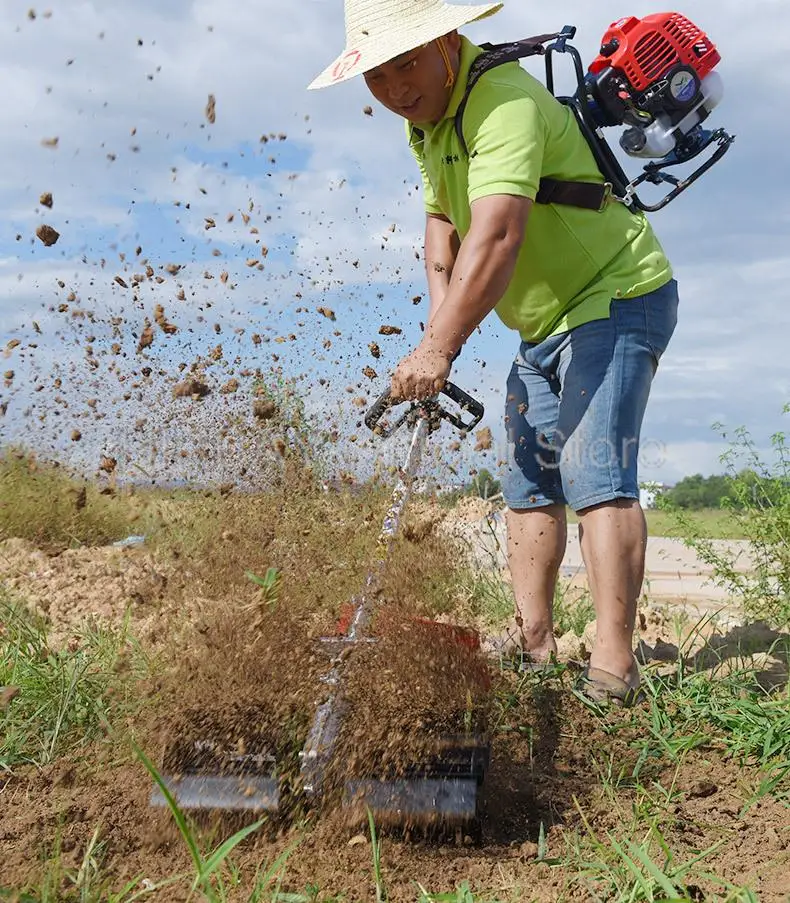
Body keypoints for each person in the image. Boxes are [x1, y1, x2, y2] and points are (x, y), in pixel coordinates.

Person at [308, 0, 679, 706]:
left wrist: (441, 345)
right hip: (542, 325)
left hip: (615, 293)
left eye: (406, 65)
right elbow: (443, 226)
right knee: (527, 480)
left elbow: (500, 235)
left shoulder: (501, 102)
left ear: (447, 41)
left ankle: (612, 667)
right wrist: (433, 334)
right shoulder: (430, 123)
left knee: (592, 467)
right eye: (376, 77)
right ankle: (535, 641)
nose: (395, 90)